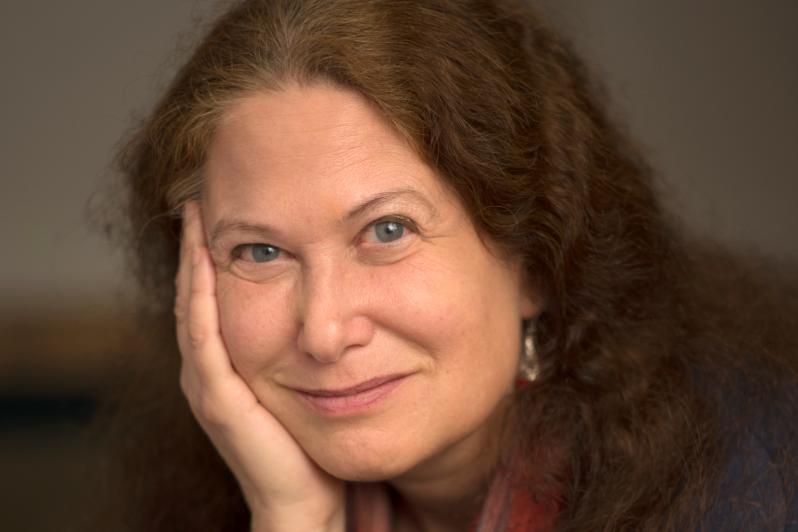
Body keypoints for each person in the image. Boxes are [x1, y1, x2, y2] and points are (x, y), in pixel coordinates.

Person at [98, 0, 798, 530]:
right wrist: (293, 518)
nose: (323, 331)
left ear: (534, 259)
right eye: (260, 251)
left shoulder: (752, 490)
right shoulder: (224, 496)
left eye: (388, 230)